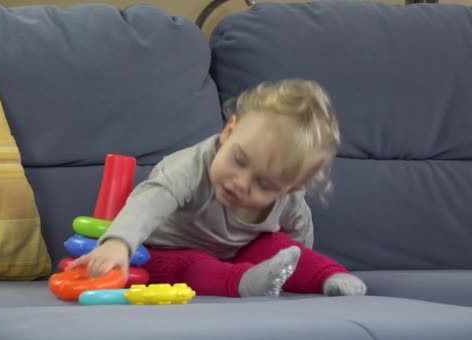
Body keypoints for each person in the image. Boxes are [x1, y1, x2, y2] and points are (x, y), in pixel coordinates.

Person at [67, 79, 367, 297]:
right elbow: (151, 200)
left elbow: (297, 241)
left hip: (237, 252)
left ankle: (330, 277)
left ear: (290, 189)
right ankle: (243, 283)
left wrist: (297, 270)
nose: (241, 182)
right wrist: (119, 243)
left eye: (264, 183)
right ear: (229, 131)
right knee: (195, 266)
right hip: (164, 251)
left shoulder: (289, 201)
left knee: (277, 247)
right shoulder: (189, 167)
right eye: (239, 160)